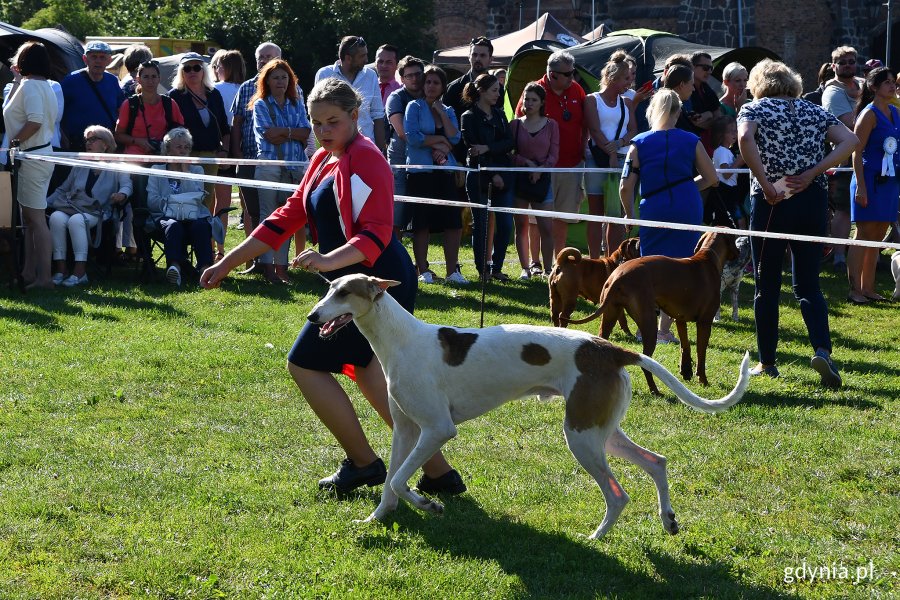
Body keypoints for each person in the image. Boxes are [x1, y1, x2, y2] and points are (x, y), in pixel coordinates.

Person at [200, 78, 465, 497]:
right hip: (350, 284)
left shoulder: (367, 159)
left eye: (334, 122)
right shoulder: (324, 157)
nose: (324, 131)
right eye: (317, 122)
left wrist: (327, 260)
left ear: (355, 116)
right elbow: (287, 216)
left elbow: (377, 235)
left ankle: (364, 463)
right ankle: (438, 472)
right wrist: (228, 261)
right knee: (369, 374)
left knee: (304, 362)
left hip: (378, 286)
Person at [737, 59, 857, 387]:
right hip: (811, 198)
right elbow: (850, 141)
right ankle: (822, 350)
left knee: (767, 286)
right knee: (808, 284)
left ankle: (768, 362)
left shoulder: (754, 108)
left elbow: (746, 140)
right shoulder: (813, 110)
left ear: (759, 83)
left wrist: (763, 182)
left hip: (772, 200)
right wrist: (813, 173)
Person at [620, 88, 718, 344]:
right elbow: (712, 178)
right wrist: (685, 188)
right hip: (687, 205)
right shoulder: (691, 140)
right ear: (678, 112)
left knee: (650, 266)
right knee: (682, 265)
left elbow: (625, 186)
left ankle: (645, 327)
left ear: (652, 110)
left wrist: (629, 215)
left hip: (653, 207)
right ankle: (664, 328)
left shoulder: (638, 143)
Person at [516, 50, 587, 259]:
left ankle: (559, 261)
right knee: (536, 219)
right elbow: (520, 124)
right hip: (541, 168)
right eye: (569, 73)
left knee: (562, 217)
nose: (573, 77)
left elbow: (585, 124)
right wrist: (531, 164)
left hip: (571, 164)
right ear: (553, 74)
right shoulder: (535, 91)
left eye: (573, 72)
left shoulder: (577, 90)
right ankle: (535, 262)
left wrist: (583, 148)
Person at [3, 41, 60, 289]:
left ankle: (45, 278)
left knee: (37, 220)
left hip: (32, 156)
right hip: (36, 155)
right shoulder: (42, 85)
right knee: (30, 220)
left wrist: (15, 141)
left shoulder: (32, 87)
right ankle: (28, 272)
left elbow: (34, 121)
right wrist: (16, 81)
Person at [404, 65, 467, 284]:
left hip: (445, 172)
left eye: (436, 83)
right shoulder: (414, 107)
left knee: (453, 222)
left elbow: (456, 138)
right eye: (428, 82)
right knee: (422, 222)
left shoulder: (448, 110)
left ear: (442, 87)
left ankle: (452, 272)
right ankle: (423, 270)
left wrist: (441, 113)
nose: (431, 86)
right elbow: (412, 137)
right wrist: (440, 141)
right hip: (421, 172)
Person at [250, 59, 311, 284]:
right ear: (267, 80)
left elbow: (306, 132)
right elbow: (268, 134)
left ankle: (281, 268)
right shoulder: (261, 105)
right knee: (268, 217)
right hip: (269, 166)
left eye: (284, 77)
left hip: (294, 168)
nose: (280, 81)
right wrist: (293, 132)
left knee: (287, 219)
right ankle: (267, 268)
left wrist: (284, 132)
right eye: (276, 77)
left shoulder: (297, 103)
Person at [48, 125, 131, 287]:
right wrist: (43, 203)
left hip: (100, 211)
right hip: (73, 206)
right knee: (56, 218)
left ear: (106, 145)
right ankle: (61, 270)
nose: (88, 143)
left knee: (77, 220)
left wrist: (122, 194)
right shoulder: (81, 163)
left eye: (93, 139)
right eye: (87, 140)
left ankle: (80, 272)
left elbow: (127, 185)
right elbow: (63, 189)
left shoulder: (117, 164)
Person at [847, 67, 899, 304]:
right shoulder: (868, 115)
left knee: (877, 236)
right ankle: (854, 289)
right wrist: (861, 186)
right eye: (886, 82)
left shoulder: (896, 113)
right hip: (868, 180)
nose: (892, 86)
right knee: (863, 233)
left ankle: (868, 288)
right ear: (873, 87)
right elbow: (856, 152)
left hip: (889, 182)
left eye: (892, 82)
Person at [230, 42, 284, 250]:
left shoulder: (291, 88)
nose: (263, 61)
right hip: (249, 158)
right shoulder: (245, 88)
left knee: (278, 210)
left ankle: (275, 259)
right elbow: (237, 123)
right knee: (252, 210)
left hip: (279, 160)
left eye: (268, 56)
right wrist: (237, 152)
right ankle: (253, 258)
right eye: (260, 57)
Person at [461, 72, 515, 281]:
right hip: (479, 176)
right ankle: (482, 270)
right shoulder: (468, 117)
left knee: (504, 224)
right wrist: (493, 174)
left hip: (504, 173)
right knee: (481, 224)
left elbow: (509, 143)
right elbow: (473, 149)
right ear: (481, 91)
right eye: (494, 90)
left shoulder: (501, 115)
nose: (497, 94)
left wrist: (488, 148)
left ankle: (497, 267)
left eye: (498, 90)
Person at [146, 127, 214, 286]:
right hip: (165, 217)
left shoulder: (197, 170)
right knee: (174, 226)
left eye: (186, 147)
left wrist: (186, 173)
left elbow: (198, 200)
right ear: (167, 150)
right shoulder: (156, 171)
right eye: (178, 147)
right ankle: (174, 268)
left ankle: (205, 270)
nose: (183, 151)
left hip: (193, 216)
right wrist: (174, 202)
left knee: (201, 226)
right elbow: (152, 201)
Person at [584, 59, 635, 258]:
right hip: (596, 160)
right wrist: (610, 152)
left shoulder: (627, 102)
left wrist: (620, 143)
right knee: (595, 213)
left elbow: (633, 130)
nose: (628, 83)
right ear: (612, 78)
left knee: (615, 214)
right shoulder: (591, 100)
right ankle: (595, 260)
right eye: (625, 78)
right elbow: (594, 131)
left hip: (621, 161)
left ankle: (613, 260)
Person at [169, 52, 230, 211]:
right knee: (187, 200)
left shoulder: (214, 94)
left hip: (211, 156)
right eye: (187, 68)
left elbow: (224, 126)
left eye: (197, 67)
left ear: (204, 70)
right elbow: (170, 130)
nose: (192, 72)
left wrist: (224, 150)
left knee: (207, 200)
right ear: (182, 72)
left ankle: (205, 236)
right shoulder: (174, 96)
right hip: (185, 157)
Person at [510, 82, 558, 279]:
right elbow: (510, 153)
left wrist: (539, 170)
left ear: (541, 103)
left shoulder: (551, 125)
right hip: (519, 181)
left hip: (543, 182)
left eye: (533, 100)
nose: (528, 103)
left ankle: (548, 269)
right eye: (526, 99)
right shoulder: (515, 125)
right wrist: (527, 163)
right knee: (521, 225)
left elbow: (554, 155)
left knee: (546, 226)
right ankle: (525, 268)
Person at [822, 46, 864, 272]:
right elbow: (849, 122)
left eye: (851, 61)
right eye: (843, 62)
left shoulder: (861, 84)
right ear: (834, 66)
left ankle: (870, 254)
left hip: (871, 155)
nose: (848, 65)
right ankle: (838, 255)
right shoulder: (832, 92)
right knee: (843, 208)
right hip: (844, 160)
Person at [314, 36, 386, 151]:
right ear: (348, 58)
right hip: (335, 149)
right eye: (362, 56)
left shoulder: (371, 75)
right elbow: (317, 114)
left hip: (366, 148)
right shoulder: (324, 74)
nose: (367, 60)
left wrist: (381, 151)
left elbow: (377, 115)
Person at [210, 49, 246, 259]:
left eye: (218, 66)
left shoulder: (216, 89)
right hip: (243, 150)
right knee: (247, 204)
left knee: (220, 203)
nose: (215, 69)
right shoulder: (247, 88)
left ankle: (218, 249)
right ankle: (250, 254)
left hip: (223, 148)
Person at [385, 55, 426, 236]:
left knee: (421, 212)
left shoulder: (430, 95)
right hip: (400, 156)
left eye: (418, 74)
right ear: (401, 79)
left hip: (424, 157)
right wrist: (436, 142)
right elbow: (403, 133)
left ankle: (421, 263)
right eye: (409, 75)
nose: (415, 79)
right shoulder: (395, 98)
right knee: (397, 210)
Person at [60, 41, 124, 152]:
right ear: (85, 59)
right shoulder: (70, 81)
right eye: (94, 57)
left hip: (105, 144)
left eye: (102, 57)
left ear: (109, 60)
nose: (98, 61)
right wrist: (61, 135)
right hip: (76, 143)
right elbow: (55, 113)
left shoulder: (112, 81)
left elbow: (122, 110)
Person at [444, 36, 496, 163]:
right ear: (469, 57)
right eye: (474, 54)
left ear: (490, 59)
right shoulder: (454, 88)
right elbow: (446, 124)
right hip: (459, 155)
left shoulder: (498, 89)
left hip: (490, 156)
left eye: (483, 55)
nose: (477, 59)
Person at [708, 115, 746, 228]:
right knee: (738, 220)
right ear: (721, 135)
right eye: (731, 132)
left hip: (731, 190)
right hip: (725, 190)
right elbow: (726, 174)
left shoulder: (726, 151)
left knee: (739, 219)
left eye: (736, 131)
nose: (735, 135)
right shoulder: (721, 151)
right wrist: (739, 161)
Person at [687, 52, 722, 153]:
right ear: (692, 67)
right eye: (705, 68)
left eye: (711, 68)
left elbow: (719, 119)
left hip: (709, 147)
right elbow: (693, 122)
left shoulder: (707, 90)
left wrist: (707, 115)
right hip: (693, 146)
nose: (709, 72)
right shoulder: (685, 89)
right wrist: (710, 115)